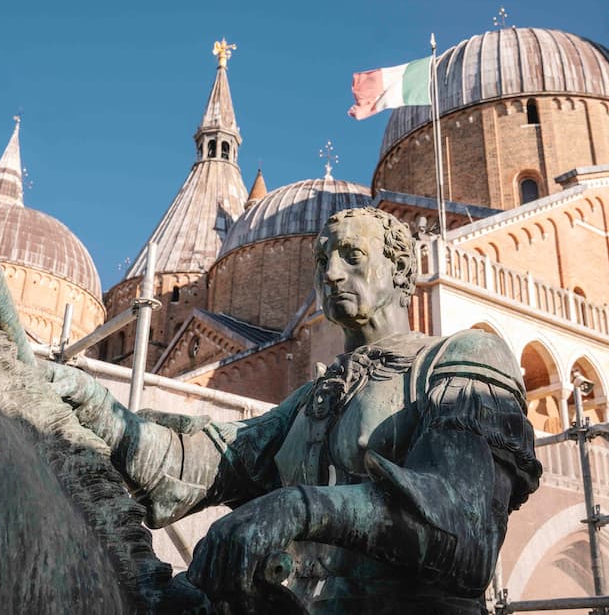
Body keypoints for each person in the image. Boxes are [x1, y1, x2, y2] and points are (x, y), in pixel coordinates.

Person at [59, 207, 541, 614]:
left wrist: (299, 506)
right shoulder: (314, 397)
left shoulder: (462, 359)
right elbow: (207, 460)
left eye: (351, 257)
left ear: (400, 270)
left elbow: (465, 526)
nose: (330, 274)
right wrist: (97, 407)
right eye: (322, 261)